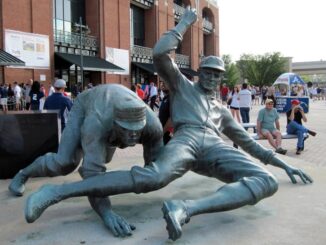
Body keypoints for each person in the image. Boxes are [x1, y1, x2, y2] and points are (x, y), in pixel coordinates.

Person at [24, 8, 312, 241]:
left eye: (217, 75)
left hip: (213, 145)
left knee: (267, 181)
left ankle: (185, 209)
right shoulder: (183, 86)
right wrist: (184, 22)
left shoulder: (222, 111)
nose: (212, 78)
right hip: (185, 140)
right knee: (153, 177)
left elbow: (248, 143)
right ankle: (55, 193)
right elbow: (160, 54)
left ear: (222, 79)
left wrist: (284, 165)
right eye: (208, 73)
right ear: (200, 73)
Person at [9, 84, 163, 237]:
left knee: (105, 159)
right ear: (115, 124)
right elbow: (92, 177)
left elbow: (155, 170)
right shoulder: (96, 124)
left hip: (109, 111)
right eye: (127, 130)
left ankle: (100, 145)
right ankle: (23, 174)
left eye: (137, 132)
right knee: (64, 162)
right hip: (88, 106)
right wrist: (106, 212)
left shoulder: (153, 127)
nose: (132, 137)